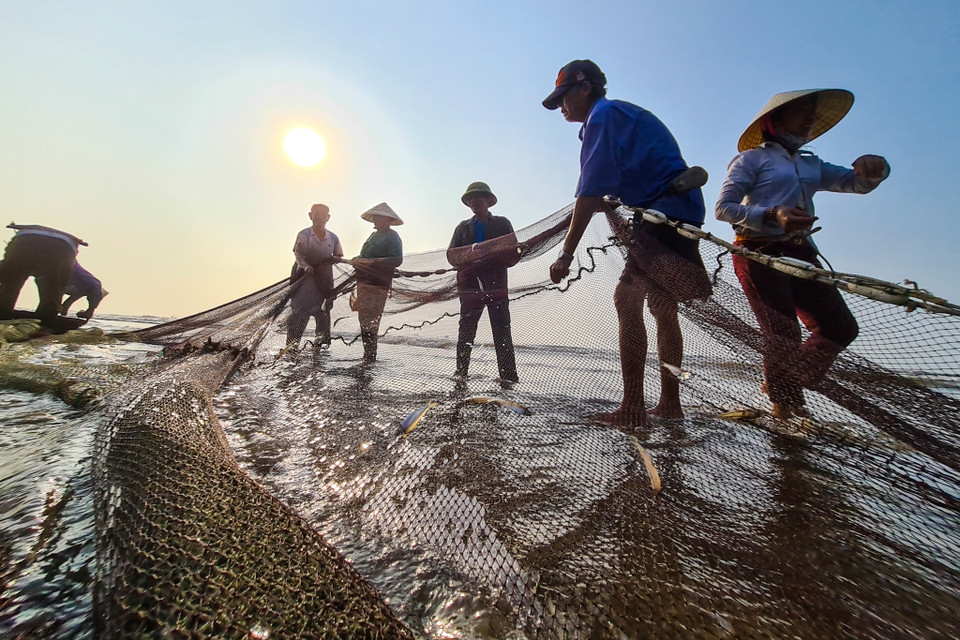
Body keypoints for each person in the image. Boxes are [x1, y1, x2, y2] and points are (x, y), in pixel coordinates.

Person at [543, 59, 712, 428]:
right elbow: (626, 177)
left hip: (663, 215)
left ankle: (632, 408)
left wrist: (565, 254)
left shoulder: (601, 117)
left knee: (627, 299)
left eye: (564, 97)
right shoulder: (620, 113)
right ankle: (670, 404)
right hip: (679, 210)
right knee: (663, 307)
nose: (561, 107)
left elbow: (587, 196)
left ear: (585, 88)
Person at [715, 89, 889, 419]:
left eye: (813, 113)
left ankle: (783, 384)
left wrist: (877, 169)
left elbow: (856, 183)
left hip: (802, 253)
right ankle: (787, 409)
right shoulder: (751, 159)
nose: (810, 119)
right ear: (775, 121)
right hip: (759, 253)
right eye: (802, 112)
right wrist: (772, 214)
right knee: (782, 333)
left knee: (840, 327)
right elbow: (724, 209)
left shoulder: (812, 165)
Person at [447, 182, 521, 382]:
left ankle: (508, 377)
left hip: (496, 284)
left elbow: (514, 253)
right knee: (467, 328)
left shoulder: (502, 223)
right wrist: (470, 254)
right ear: (468, 203)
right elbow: (452, 256)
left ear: (489, 201)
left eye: (480, 197)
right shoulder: (462, 228)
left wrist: (491, 254)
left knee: (502, 328)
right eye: (472, 198)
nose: (475, 201)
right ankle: (461, 373)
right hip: (469, 285)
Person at [0, 223, 85, 326]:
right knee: (52, 294)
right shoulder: (83, 277)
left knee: (9, 286)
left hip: (25, 241)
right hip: (62, 247)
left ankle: (3, 315)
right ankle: (44, 324)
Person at [350, 202, 403, 363]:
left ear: (386, 219)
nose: (374, 221)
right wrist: (358, 260)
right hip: (363, 281)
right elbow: (365, 256)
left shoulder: (392, 236)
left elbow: (397, 259)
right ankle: (368, 354)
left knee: (372, 318)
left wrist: (372, 262)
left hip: (378, 283)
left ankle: (371, 355)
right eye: (374, 218)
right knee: (363, 317)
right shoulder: (373, 236)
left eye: (377, 218)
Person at [288, 204, 344, 350]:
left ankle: (318, 349)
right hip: (304, 278)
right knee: (299, 313)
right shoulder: (304, 235)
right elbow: (298, 255)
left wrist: (334, 259)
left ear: (328, 218)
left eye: (323, 214)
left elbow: (338, 255)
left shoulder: (333, 237)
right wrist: (305, 266)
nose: (319, 217)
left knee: (322, 314)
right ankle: (291, 348)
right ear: (310, 215)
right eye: (316, 214)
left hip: (324, 280)